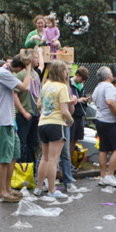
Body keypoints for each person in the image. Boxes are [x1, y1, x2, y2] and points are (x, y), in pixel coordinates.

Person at [0, 54, 33, 202]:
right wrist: (28, 70)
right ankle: (2, 192)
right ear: (20, 67)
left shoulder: (6, 71)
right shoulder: (3, 73)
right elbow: (26, 87)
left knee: (13, 154)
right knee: (3, 159)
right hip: (1, 122)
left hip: (9, 121)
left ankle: (8, 189)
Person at [33, 60, 73, 198]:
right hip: (56, 124)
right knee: (53, 159)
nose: (67, 72)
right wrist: (71, 120)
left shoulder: (45, 85)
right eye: (65, 70)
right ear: (61, 72)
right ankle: (51, 190)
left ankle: (38, 188)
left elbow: (39, 105)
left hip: (43, 123)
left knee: (44, 157)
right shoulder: (62, 87)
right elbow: (64, 111)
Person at [92, 67, 116, 187]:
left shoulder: (97, 87)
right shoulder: (109, 87)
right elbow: (110, 102)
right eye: (111, 73)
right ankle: (110, 176)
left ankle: (102, 176)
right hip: (111, 121)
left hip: (101, 120)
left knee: (103, 149)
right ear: (108, 76)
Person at [14, 49, 43, 163]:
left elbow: (38, 94)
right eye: (36, 57)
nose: (37, 60)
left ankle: (31, 170)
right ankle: (20, 169)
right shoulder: (21, 74)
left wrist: (39, 110)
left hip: (35, 114)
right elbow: (14, 95)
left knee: (33, 143)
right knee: (22, 143)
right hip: (24, 114)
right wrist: (23, 112)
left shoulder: (35, 74)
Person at [69, 66, 89, 160]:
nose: (82, 82)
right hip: (72, 114)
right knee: (70, 138)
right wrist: (78, 100)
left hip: (80, 114)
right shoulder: (69, 84)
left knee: (75, 139)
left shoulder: (82, 85)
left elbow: (82, 96)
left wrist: (85, 100)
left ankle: (71, 158)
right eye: (81, 79)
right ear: (77, 75)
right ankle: (66, 160)